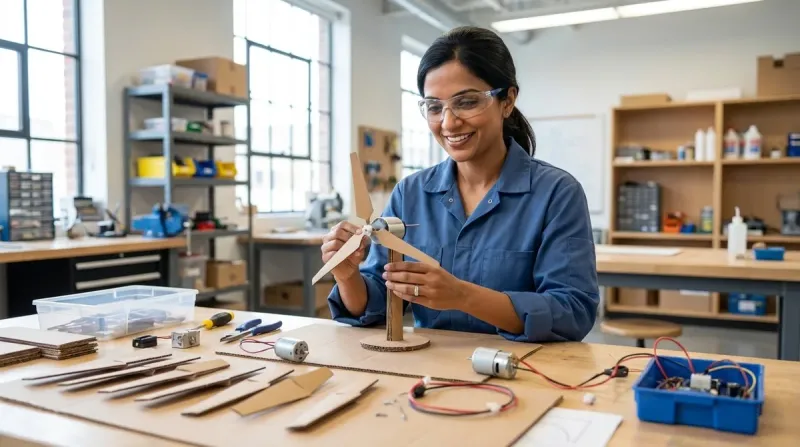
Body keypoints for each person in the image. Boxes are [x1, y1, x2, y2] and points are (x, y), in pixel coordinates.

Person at [322, 26, 598, 343]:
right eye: (434, 106)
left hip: (522, 372)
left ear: (507, 101)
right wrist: (347, 276)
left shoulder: (556, 193)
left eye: (466, 102)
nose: (449, 122)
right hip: (429, 372)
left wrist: (463, 296)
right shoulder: (410, 193)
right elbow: (379, 302)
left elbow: (572, 313)